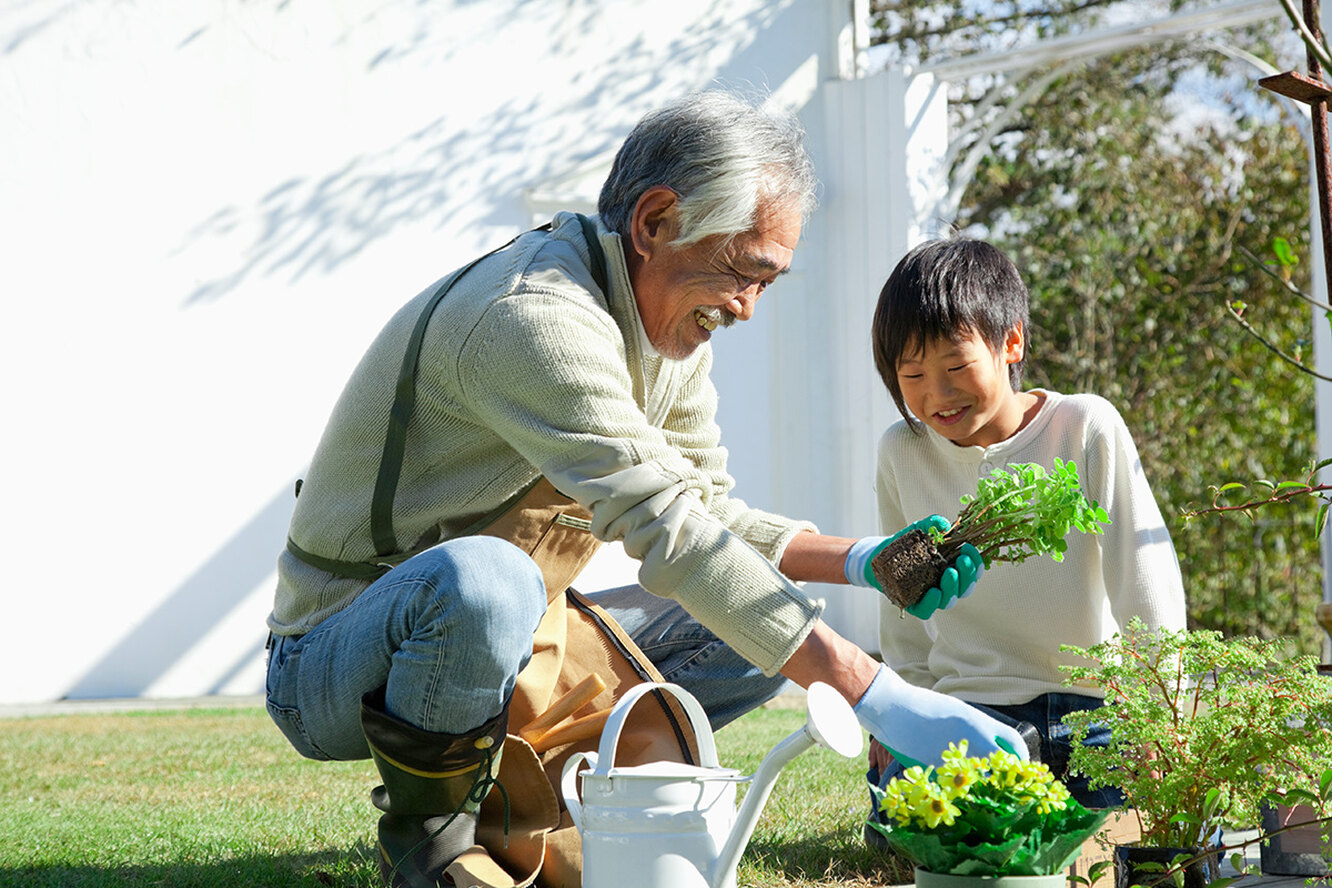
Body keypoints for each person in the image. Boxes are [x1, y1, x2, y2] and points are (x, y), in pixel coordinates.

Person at [264, 92, 1025, 888]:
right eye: (745, 273)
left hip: (521, 633)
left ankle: (549, 791)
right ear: (656, 221)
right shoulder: (535, 318)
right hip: (338, 653)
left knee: (757, 629)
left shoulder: (666, 327)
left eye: (769, 283)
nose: (747, 308)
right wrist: (875, 691)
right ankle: (430, 839)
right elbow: (665, 526)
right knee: (486, 580)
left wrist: (866, 561)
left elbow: (706, 511)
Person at [864, 237, 1187, 829]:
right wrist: (899, 712)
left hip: (1093, 711)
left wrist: (1155, 715)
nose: (937, 394)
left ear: (1011, 342)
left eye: (957, 366)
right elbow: (901, 602)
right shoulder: (900, 451)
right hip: (971, 709)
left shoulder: (1084, 426)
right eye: (912, 374)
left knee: (1120, 839)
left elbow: (1146, 585)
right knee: (927, 832)